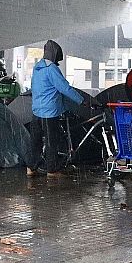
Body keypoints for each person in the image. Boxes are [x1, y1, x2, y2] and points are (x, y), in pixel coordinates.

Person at [28, 40, 86, 178]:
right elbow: (64, 88)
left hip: (36, 110)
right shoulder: (51, 69)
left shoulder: (37, 68)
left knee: (35, 141)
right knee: (51, 141)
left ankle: (31, 167)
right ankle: (52, 170)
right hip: (49, 112)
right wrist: (81, 100)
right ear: (55, 55)